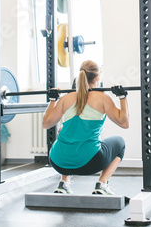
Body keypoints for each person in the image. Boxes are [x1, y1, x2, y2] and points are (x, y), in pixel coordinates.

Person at [42, 60, 129, 195]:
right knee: (120, 143)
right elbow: (124, 123)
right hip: (90, 163)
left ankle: (63, 183)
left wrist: (53, 100)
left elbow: (46, 123)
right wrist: (122, 97)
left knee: (68, 136)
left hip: (57, 161)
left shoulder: (66, 98)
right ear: (98, 77)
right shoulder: (103, 98)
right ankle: (102, 183)